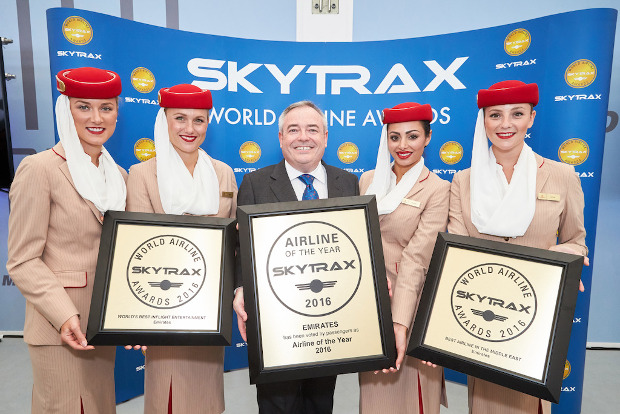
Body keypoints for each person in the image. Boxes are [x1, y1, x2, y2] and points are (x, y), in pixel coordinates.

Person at [448, 80, 588, 414]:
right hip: (481, 312)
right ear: (483, 121)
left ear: (532, 119)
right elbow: (455, 250)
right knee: (485, 401)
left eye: (517, 114)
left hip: (535, 312)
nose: (505, 124)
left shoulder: (561, 175)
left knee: (530, 402)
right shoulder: (463, 181)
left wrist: (560, 256)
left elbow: (576, 241)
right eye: (495, 115)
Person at [7, 67, 126, 413]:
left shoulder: (118, 175)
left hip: (101, 326)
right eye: (83, 107)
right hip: (59, 327)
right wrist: (63, 315)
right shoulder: (39, 169)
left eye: (106, 108)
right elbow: (23, 260)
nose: (96, 118)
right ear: (65, 110)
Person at [232, 100, 359, 414]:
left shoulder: (348, 183)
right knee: (278, 403)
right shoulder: (254, 183)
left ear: (326, 137)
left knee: (320, 399)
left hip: (329, 320)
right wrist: (239, 288)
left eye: (312, 129)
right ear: (280, 138)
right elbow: (241, 246)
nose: (304, 137)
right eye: (293, 130)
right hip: (275, 320)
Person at [125, 83, 237, 414]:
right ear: (164, 120)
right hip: (163, 309)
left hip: (208, 312)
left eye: (199, 120)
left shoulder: (223, 174)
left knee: (208, 398)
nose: (190, 129)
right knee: (168, 399)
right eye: (180, 119)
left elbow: (229, 241)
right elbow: (137, 250)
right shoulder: (143, 174)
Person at [358, 102, 449, 414]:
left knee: (413, 397)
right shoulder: (368, 181)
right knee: (374, 398)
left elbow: (418, 257)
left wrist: (399, 322)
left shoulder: (438, 188)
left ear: (428, 137)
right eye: (394, 137)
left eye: (412, 136)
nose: (403, 145)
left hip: (412, 301)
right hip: (370, 302)